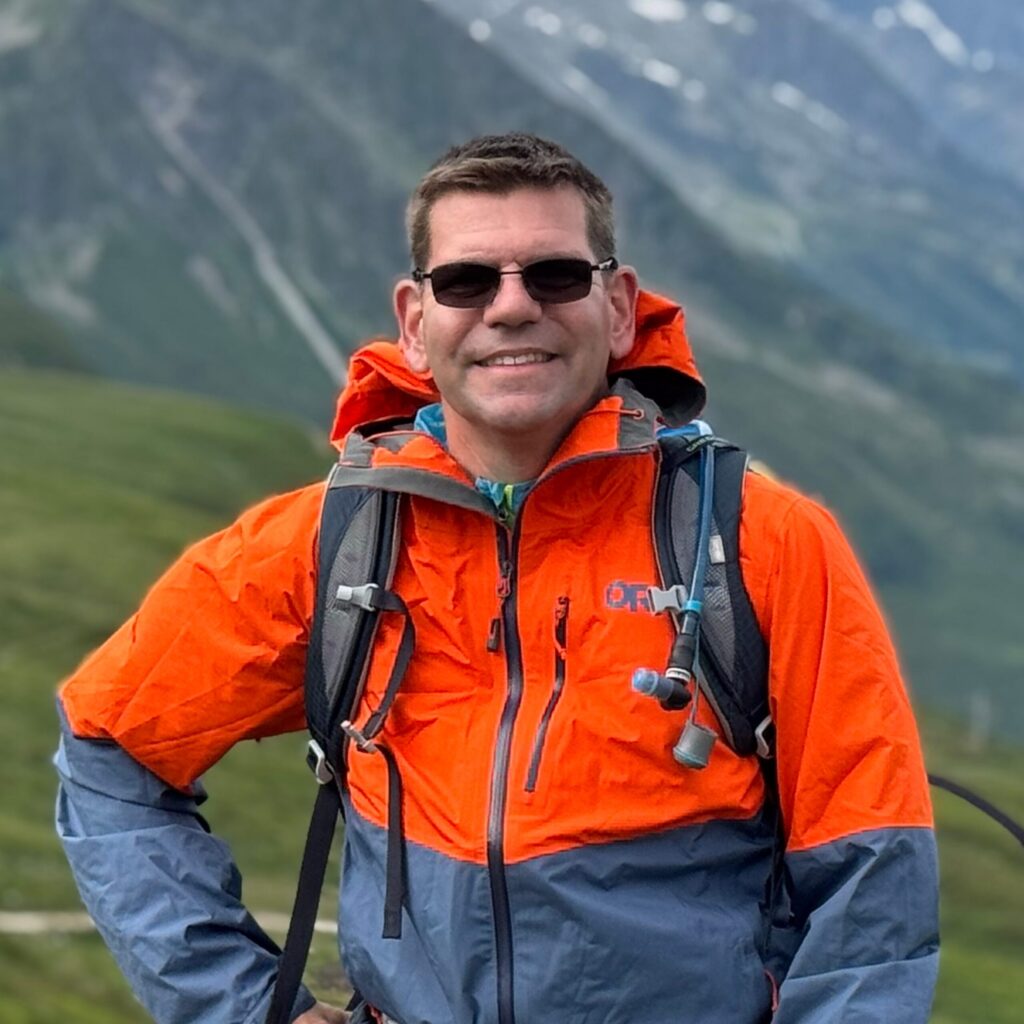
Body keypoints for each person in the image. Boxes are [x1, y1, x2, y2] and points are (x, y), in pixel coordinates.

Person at [55, 132, 939, 1024]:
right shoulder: (324, 544)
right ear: (413, 321)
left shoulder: (764, 542)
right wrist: (245, 1007)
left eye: (555, 275)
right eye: (467, 282)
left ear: (621, 306)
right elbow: (105, 753)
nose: (511, 309)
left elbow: (874, 884)